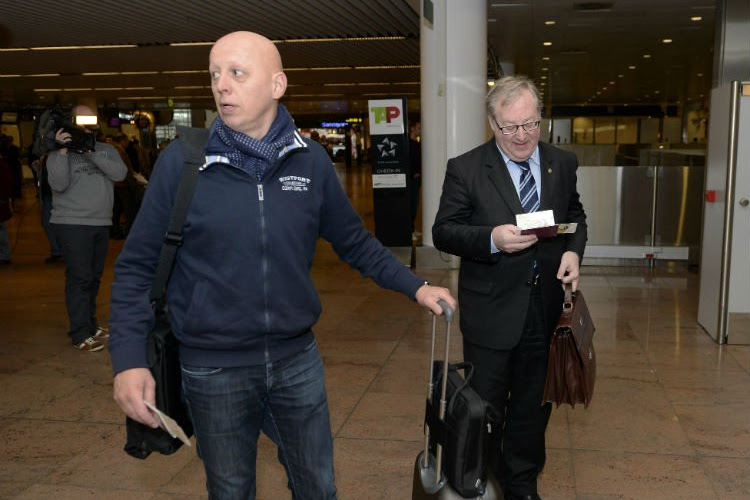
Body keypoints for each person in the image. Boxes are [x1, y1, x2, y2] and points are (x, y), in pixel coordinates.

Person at [109, 31, 456, 500]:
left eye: (236, 73)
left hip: (297, 362)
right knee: (231, 491)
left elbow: (354, 241)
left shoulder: (309, 162)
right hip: (214, 368)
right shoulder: (185, 163)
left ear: (277, 85)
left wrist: (416, 287)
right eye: (214, 74)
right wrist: (128, 361)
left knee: (317, 486)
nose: (221, 86)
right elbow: (136, 267)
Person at [432, 75, 587, 500]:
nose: (522, 136)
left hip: (546, 309)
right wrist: (491, 239)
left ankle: (523, 486)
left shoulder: (562, 162)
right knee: (486, 410)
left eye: (531, 124)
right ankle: (481, 484)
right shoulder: (466, 168)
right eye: (510, 127)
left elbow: (575, 216)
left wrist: (574, 252)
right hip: (492, 313)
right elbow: (444, 231)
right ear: (492, 123)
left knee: (533, 410)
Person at [47, 104, 128, 352]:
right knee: (80, 278)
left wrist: (90, 151)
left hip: (100, 222)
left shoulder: (106, 150)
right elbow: (58, 185)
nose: (84, 124)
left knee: (93, 278)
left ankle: (91, 325)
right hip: (72, 224)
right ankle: (80, 332)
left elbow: (120, 174)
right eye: (78, 119)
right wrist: (62, 150)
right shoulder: (58, 154)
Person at [31, 154, 62, 263]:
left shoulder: (61, 156)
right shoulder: (44, 157)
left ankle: (60, 252)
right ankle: (57, 251)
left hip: (58, 197)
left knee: (58, 225)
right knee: (47, 223)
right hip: (47, 196)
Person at [408, 121, 422, 233]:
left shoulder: (418, 144)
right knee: (410, 205)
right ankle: (409, 229)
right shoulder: (407, 144)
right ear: (412, 129)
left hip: (416, 180)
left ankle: (411, 228)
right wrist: (413, 173)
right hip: (410, 180)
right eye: (419, 128)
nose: (420, 131)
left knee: (415, 204)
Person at [0, 154, 13, 264]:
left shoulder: (2, 165)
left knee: (1, 231)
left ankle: (5, 255)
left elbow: (7, 183)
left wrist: (3, 197)